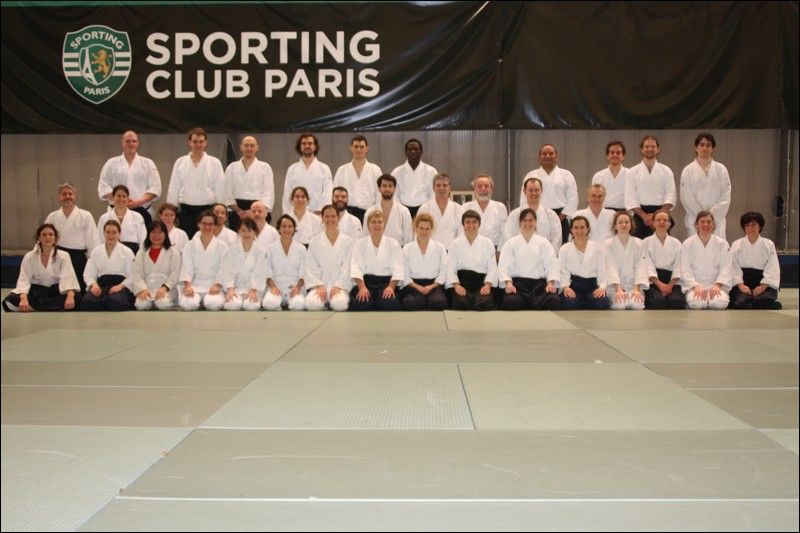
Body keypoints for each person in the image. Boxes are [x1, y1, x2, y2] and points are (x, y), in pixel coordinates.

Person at [2, 224, 79, 312]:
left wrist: (70, 296)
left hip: (55, 290)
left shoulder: (64, 256)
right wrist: (23, 299)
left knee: (76, 298)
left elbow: (68, 278)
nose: (47, 237)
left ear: (55, 238)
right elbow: (24, 279)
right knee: (9, 301)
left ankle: (33, 307)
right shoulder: (29, 256)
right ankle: (52, 307)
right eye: (44, 234)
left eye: (51, 234)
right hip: (36, 291)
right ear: (39, 238)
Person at [166, 127, 225, 240]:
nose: (198, 145)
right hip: (186, 211)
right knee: (186, 241)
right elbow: (174, 188)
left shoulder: (214, 162)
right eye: (195, 141)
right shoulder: (180, 162)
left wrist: (220, 211)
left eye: (201, 141)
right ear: (189, 142)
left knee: (207, 240)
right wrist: (171, 212)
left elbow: (220, 188)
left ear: (206, 143)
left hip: (207, 210)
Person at [498, 208, 560, 310]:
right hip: (518, 286)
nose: (528, 223)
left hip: (539, 286)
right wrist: (509, 284)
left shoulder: (544, 242)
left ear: (535, 222)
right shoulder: (510, 243)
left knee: (554, 300)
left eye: (531, 220)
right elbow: (503, 267)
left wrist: (550, 284)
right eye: (525, 220)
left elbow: (551, 265)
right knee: (509, 302)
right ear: (520, 223)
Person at [98, 130, 161, 228]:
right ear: (122, 143)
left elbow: (155, 188)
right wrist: (120, 200)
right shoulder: (111, 163)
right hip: (116, 212)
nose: (131, 144)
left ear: (138, 143)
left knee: (142, 238)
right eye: (128, 141)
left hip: (142, 211)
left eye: (134, 141)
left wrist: (138, 202)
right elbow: (103, 187)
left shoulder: (148, 163)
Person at [44, 182, 99, 292]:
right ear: (59, 197)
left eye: (70, 194)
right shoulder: (52, 217)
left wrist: (94, 263)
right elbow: (44, 238)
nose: (67, 196)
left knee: (79, 290)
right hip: (58, 257)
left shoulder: (85, 215)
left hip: (78, 258)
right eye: (64, 194)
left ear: (75, 196)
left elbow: (92, 241)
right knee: (59, 290)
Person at [518, 144, 578, 244]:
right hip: (535, 216)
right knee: (535, 245)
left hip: (561, 217)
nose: (548, 156)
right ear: (539, 158)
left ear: (556, 157)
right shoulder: (531, 175)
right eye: (544, 154)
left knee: (560, 246)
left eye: (551, 153)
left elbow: (573, 198)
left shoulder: (566, 175)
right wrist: (529, 216)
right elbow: (524, 198)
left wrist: (560, 217)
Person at [680, 133, 731, 239]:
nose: (705, 148)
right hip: (695, 219)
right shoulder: (688, 171)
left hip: (716, 220)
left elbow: (726, 197)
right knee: (695, 248)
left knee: (718, 247)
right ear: (696, 148)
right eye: (702, 145)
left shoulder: (721, 169)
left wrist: (711, 217)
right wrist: (702, 217)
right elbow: (686, 197)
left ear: (713, 148)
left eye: (708, 145)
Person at [349, 210, 404, 311]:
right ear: (368, 225)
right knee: (361, 304)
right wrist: (362, 288)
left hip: (387, 283)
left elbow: (398, 268)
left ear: (384, 224)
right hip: (366, 283)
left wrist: (391, 287)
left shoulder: (393, 243)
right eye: (373, 222)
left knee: (389, 304)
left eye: (380, 222)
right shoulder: (360, 244)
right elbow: (356, 267)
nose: (377, 225)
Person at [625, 135, 677, 239]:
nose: (650, 149)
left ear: (657, 149)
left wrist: (657, 215)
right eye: (647, 146)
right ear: (642, 149)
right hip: (640, 216)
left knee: (662, 244)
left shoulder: (666, 171)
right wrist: (645, 216)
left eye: (653, 146)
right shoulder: (632, 172)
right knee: (638, 246)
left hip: (661, 214)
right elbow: (631, 198)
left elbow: (670, 196)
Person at [305, 204, 354, 311]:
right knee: (311, 304)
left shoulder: (348, 242)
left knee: (339, 305)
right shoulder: (314, 242)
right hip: (320, 286)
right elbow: (310, 267)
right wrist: (319, 285)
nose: (330, 219)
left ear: (338, 218)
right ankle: (323, 303)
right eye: (326, 216)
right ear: (322, 218)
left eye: (333, 216)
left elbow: (348, 268)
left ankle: (331, 303)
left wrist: (338, 285)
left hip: (340, 287)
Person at [680, 211, 733, 310]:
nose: (706, 224)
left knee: (719, 303)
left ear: (713, 225)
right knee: (696, 304)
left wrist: (717, 285)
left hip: (716, 285)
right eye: (702, 222)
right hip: (695, 286)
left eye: (709, 222)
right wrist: (695, 286)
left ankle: (712, 299)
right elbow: (685, 268)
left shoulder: (722, 243)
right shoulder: (687, 244)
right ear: (696, 225)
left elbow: (726, 267)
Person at [447, 210, 498, 311]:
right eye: (468, 222)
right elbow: (450, 268)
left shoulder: (488, 243)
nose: (471, 225)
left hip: (481, 283)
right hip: (462, 282)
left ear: (479, 224)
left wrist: (488, 285)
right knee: (459, 304)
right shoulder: (455, 244)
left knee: (484, 304)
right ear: (463, 225)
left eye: (474, 222)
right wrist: (456, 285)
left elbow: (492, 268)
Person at [729, 211, 781, 309]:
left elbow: (772, 267)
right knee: (740, 301)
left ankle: (757, 300)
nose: (750, 228)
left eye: (753, 225)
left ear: (760, 226)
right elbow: (733, 267)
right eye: (747, 225)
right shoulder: (736, 244)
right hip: (743, 281)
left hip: (762, 281)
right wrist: (741, 285)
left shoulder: (768, 244)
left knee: (763, 299)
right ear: (744, 227)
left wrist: (762, 287)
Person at [80, 220, 135, 311]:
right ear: (104, 233)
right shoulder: (96, 251)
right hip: (101, 286)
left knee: (115, 302)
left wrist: (120, 286)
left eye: (114, 232)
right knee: (87, 302)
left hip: (120, 286)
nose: (111, 235)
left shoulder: (127, 251)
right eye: (108, 232)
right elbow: (88, 274)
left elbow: (133, 275)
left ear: (119, 234)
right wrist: (94, 285)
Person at [178, 211, 228, 311]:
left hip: (214, 285)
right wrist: (188, 286)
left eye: (211, 224)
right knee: (188, 305)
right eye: (204, 223)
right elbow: (186, 268)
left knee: (214, 305)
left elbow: (224, 269)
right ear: (198, 224)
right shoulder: (189, 245)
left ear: (215, 226)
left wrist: (217, 285)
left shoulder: (223, 246)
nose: (207, 227)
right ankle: (199, 301)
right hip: (194, 285)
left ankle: (203, 302)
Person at [557, 216, 609, 310]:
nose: (579, 230)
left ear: (587, 229)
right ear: (571, 230)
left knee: (602, 302)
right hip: (573, 286)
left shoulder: (597, 248)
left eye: (582, 227)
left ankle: (584, 303)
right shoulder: (565, 249)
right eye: (576, 228)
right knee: (569, 303)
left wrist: (602, 287)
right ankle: (583, 303)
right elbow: (562, 270)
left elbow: (602, 270)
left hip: (592, 285)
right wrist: (565, 287)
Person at [224, 135, 274, 229]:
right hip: (237, 212)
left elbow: (268, 194)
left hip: (258, 211)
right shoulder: (231, 168)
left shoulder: (265, 167)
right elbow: (227, 195)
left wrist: (254, 212)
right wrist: (240, 212)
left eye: (252, 145)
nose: (249, 148)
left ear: (257, 148)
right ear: (241, 147)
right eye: (246, 145)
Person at [400, 213, 448, 311]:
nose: (424, 232)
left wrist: (432, 286)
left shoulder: (440, 247)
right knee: (410, 303)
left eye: (427, 229)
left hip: (434, 285)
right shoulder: (407, 249)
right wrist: (418, 287)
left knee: (439, 303)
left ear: (432, 230)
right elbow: (405, 274)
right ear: (416, 229)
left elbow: (444, 271)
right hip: (414, 285)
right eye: (421, 228)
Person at [131, 221, 181, 311]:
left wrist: (164, 288)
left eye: (160, 232)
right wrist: (142, 289)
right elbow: (137, 274)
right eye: (153, 232)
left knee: (162, 304)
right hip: (147, 290)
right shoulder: (141, 253)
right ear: (148, 234)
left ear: (165, 234)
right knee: (141, 305)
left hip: (167, 290)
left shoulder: (173, 252)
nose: (156, 235)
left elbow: (175, 274)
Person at [604, 211, 648, 310]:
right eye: (620, 222)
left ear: (631, 225)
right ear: (615, 226)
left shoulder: (639, 243)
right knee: (620, 305)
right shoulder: (608, 244)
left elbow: (641, 266)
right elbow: (610, 267)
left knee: (637, 305)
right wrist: (618, 289)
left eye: (627, 222)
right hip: (615, 287)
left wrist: (637, 289)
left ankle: (635, 292)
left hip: (634, 285)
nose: (624, 225)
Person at [219, 218, 266, 311]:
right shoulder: (231, 251)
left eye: (249, 231)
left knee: (251, 306)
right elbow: (228, 271)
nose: (246, 234)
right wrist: (230, 288)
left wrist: (253, 290)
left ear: (255, 232)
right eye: (243, 230)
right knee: (232, 305)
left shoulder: (261, 252)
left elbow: (260, 273)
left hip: (254, 290)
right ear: (239, 232)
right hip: (236, 289)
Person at [332, 135, 382, 222]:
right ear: (351, 148)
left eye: (362, 147)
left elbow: (379, 194)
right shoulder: (342, 170)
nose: (359, 150)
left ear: (367, 149)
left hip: (368, 213)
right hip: (347, 212)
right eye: (356, 147)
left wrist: (378, 213)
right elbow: (334, 192)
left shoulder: (375, 170)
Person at [642, 209, 685, 309]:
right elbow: (647, 265)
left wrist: (670, 285)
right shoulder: (645, 242)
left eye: (665, 220)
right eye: (658, 220)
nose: (662, 222)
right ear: (653, 223)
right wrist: (660, 285)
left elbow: (678, 266)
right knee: (657, 302)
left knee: (677, 302)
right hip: (653, 281)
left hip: (672, 281)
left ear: (669, 223)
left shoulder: (676, 243)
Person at [263, 215, 307, 311]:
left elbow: (303, 273)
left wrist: (298, 287)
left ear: (294, 229)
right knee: (268, 304)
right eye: (283, 226)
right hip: (276, 287)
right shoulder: (270, 248)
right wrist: (273, 287)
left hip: (295, 287)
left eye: (290, 226)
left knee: (298, 305)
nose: (287, 229)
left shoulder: (301, 248)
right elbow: (267, 272)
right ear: (279, 229)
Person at [281, 132, 333, 215]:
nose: (307, 146)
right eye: (304, 143)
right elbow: (287, 194)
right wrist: (288, 214)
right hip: (296, 213)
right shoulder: (292, 169)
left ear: (315, 147)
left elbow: (328, 192)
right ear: (300, 147)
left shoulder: (324, 169)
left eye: (310, 143)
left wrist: (320, 211)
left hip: (318, 214)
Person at [505, 177, 561, 251]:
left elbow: (556, 239)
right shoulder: (515, 215)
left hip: (544, 255)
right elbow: (509, 238)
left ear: (541, 191)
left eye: (537, 190)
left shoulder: (551, 215)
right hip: (520, 255)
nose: (534, 193)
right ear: (525, 191)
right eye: (531, 190)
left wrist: (548, 255)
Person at [462, 174, 508, 256]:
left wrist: (499, 251)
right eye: (479, 186)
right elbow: (462, 231)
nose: (483, 189)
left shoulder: (500, 207)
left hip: (494, 250)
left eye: (486, 186)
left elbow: (505, 233)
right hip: (471, 249)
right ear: (474, 189)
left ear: (491, 189)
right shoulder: (466, 207)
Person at [391, 138, 437, 218]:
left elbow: (434, 194)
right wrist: (401, 210)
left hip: (425, 210)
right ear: (405, 152)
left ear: (421, 151)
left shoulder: (431, 171)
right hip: (402, 210)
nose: (413, 151)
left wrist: (427, 209)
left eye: (416, 149)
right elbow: (394, 195)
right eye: (410, 149)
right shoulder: (396, 172)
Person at [416, 173, 464, 250]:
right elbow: (418, 233)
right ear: (433, 188)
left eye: (445, 185)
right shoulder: (424, 209)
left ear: (449, 188)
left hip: (451, 251)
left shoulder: (459, 209)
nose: (441, 188)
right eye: (438, 185)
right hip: (430, 250)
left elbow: (461, 235)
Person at [363, 174, 414, 246]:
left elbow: (408, 238)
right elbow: (365, 235)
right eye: (384, 186)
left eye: (390, 186)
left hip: (397, 250)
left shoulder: (404, 211)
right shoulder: (370, 211)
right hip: (375, 250)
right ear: (379, 188)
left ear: (394, 188)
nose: (387, 189)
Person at [97, 184, 147, 254]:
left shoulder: (137, 217)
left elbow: (143, 240)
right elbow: (99, 240)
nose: (121, 199)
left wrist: (139, 256)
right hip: (111, 253)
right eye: (118, 196)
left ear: (128, 199)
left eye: (124, 196)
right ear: (113, 198)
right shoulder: (104, 218)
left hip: (133, 254)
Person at [591, 140, 629, 211]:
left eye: (618, 153)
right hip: (603, 212)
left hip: (624, 213)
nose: (615, 155)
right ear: (607, 156)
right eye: (612, 152)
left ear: (623, 156)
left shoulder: (630, 175)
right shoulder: (598, 176)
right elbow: (593, 198)